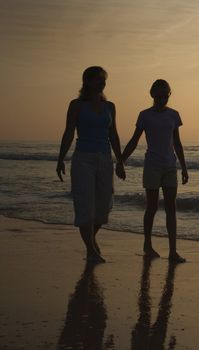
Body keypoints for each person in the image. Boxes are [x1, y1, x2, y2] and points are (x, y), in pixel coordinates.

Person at [56, 66, 125, 263]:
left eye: (104, 80)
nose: (102, 83)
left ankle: (90, 241)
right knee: (85, 204)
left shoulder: (110, 106)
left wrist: (120, 160)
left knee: (103, 206)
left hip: (105, 159)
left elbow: (113, 134)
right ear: (87, 81)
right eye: (97, 79)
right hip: (83, 159)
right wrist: (61, 158)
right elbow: (69, 132)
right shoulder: (76, 105)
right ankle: (91, 250)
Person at [122, 79, 188, 263]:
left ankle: (173, 251)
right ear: (152, 95)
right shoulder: (144, 115)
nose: (161, 99)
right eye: (158, 96)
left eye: (165, 96)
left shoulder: (174, 115)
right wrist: (121, 161)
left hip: (169, 166)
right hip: (152, 165)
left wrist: (183, 167)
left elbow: (177, 143)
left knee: (171, 208)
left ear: (169, 95)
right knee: (151, 207)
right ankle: (147, 245)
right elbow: (134, 141)